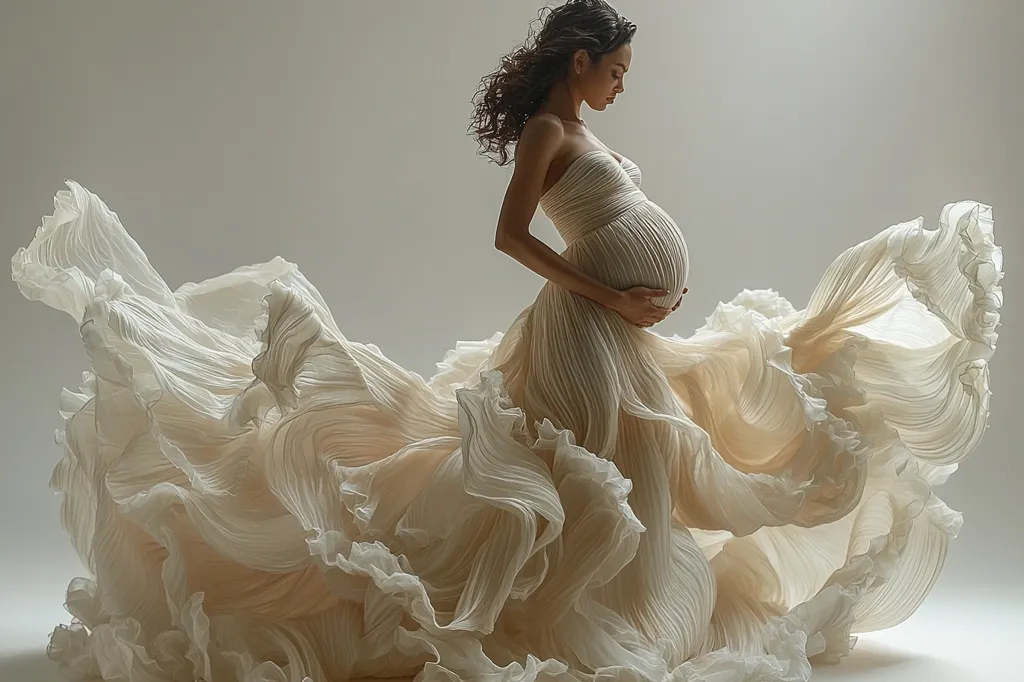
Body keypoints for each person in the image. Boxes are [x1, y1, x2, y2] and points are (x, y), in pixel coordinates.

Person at [11, 1, 1002, 681]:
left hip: (618, 336)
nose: (621, 85)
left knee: (639, 469)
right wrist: (604, 296)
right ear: (578, 61)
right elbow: (509, 235)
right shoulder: (545, 134)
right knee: (605, 481)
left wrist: (634, 296)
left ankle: (635, 611)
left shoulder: (591, 134)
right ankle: (612, 619)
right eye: (614, 69)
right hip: (582, 336)